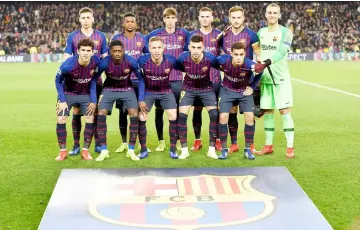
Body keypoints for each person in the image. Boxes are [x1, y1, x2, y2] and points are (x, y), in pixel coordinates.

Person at [63, 7, 108, 155]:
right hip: (76, 82)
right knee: (76, 111)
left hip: (95, 81)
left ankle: (96, 144)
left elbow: (105, 59)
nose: (86, 20)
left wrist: (105, 78)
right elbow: (67, 58)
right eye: (83, 18)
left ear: (93, 19)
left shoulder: (101, 36)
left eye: (88, 17)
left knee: (94, 112)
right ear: (79, 19)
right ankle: (76, 145)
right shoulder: (72, 36)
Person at [217, 6, 261, 154]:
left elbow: (258, 55)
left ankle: (251, 144)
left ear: (243, 18)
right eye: (233, 18)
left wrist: (256, 72)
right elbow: (219, 54)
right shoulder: (224, 35)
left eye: (239, 17)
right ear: (230, 19)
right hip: (230, 80)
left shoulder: (251, 35)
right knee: (232, 112)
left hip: (246, 80)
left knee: (249, 114)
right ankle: (234, 143)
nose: (236, 20)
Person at [253, 3, 295, 158]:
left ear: (279, 15)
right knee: (268, 112)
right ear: (265, 14)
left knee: (284, 112)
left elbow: (282, 52)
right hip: (265, 79)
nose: (272, 15)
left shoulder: (286, 32)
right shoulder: (261, 32)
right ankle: (268, 146)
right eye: (269, 12)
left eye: (274, 13)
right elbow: (256, 51)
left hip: (281, 79)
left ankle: (290, 148)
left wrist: (265, 63)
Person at [146, 8, 189, 152]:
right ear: (164, 19)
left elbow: (194, 44)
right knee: (159, 112)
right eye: (168, 17)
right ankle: (161, 141)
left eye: (173, 17)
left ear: (177, 19)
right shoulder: (155, 34)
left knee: (175, 112)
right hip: (159, 79)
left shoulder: (184, 34)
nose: (170, 20)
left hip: (177, 79)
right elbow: (145, 48)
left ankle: (176, 140)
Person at [94, 40, 145, 162]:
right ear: (110, 52)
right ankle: (104, 150)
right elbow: (93, 80)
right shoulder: (104, 63)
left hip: (127, 89)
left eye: (119, 51)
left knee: (134, 114)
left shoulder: (131, 61)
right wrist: (93, 99)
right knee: (101, 114)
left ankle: (131, 150)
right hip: (109, 89)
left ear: (123, 51)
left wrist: (141, 99)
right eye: (114, 51)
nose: (117, 53)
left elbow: (141, 80)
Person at [110, 12, 150, 153]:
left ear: (135, 23)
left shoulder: (142, 39)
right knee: (122, 113)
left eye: (132, 21)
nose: (130, 24)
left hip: (138, 81)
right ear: (123, 23)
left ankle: (139, 142)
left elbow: (148, 55)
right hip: (122, 82)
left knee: (139, 112)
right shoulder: (117, 38)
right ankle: (124, 142)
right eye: (127, 21)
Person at [55, 38, 100, 161]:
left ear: (92, 52)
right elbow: (58, 81)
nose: (85, 53)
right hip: (67, 93)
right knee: (61, 118)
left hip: (84, 94)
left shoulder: (96, 62)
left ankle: (85, 151)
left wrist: (93, 100)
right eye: (83, 50)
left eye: (88, 50)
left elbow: (94, 80)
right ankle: (63, 152)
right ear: (78, 51)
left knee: (90, 117)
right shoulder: (68, 65)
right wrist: (62, 100)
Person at [185, 7, 222, 152]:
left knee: (215, 111)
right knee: (197, 110)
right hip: (197, 80)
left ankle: (217, 140)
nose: (205, 19)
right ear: (199, 18)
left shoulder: (219, 35)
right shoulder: (192, 35)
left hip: (215, 78)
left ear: (212, 18)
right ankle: (197, 140)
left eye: (208, 16)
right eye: (203, 16)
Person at [177, 35, 219, 160]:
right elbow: (178, 67)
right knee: (182, 116)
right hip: (188, 88)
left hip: (206, 88)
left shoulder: (210, 58)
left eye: (199, 47)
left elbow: (222, 67)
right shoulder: (183, 57)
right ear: (189, 47)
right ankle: (184, 150)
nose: (196, 50)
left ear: (203, 48)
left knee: (214, 115)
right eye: (193, 47)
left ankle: (211, 149)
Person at [137, 36, 180, 159]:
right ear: (149, 49)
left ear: (163, 48)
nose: (156, 51)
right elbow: (140, 79)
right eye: (154, 48)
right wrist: (140, 99)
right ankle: (143, 149)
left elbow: (183, 67)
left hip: (166, 91)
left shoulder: (171, 60)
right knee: (142, 116)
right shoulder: (142, 61)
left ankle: (172, 149)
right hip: (149, 92)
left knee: (173, 116)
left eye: (159, 47)